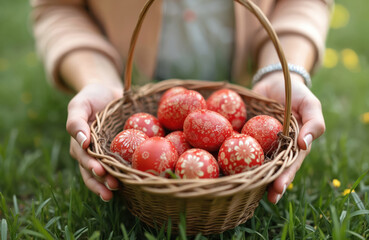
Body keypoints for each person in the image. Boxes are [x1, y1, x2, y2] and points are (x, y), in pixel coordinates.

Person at [30, 0, 331, 204]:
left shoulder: (223, 127)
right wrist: (95, 78)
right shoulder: (166, 129)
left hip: (241, 77)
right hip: (126, 84)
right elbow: (59, 6)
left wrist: (283, 70)